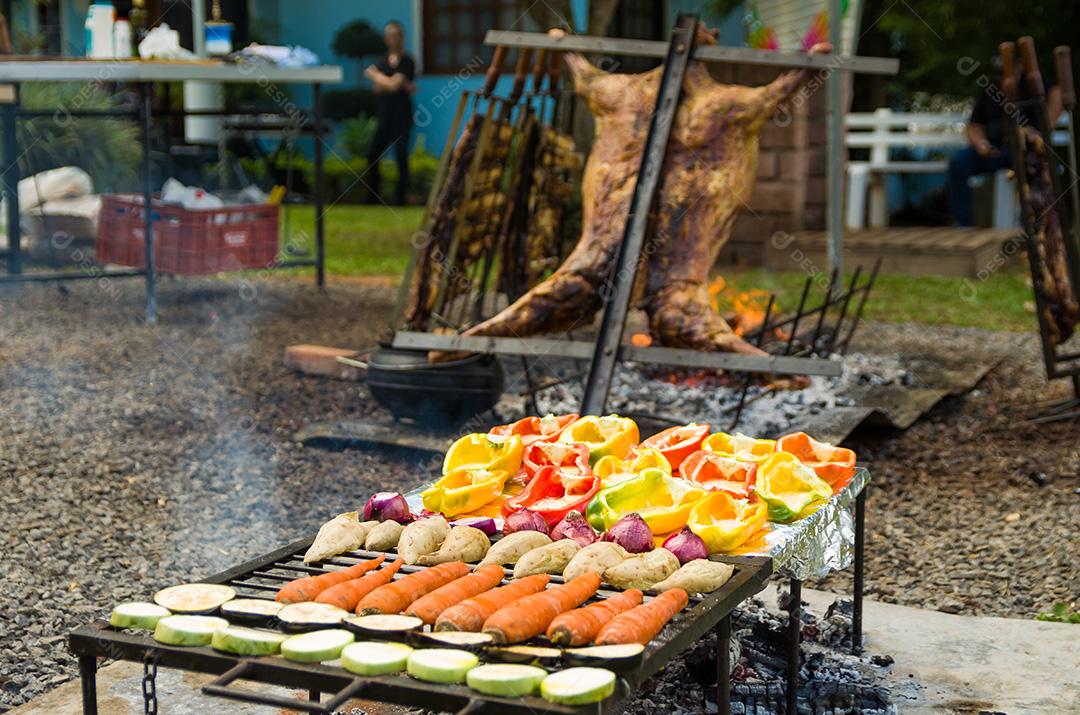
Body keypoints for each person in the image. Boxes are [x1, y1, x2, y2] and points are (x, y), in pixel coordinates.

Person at [948, 56, 1061, 226]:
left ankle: (1034, 227)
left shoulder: (1032, 82)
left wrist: (1044, 130)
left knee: (1035, 168)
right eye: (1000, 74)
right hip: (995, 151)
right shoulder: (991, 87)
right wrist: (981, 144)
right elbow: (974, 125)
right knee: (959, 162)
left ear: (1019, 67)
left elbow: (1056, 93)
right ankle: (964, 225)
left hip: (1025, 150)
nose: (1003, 78)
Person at [364, 21, 416, 206]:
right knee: (372, 154)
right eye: (390, 35)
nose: (393, 39)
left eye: (397, 35)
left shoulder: (408, 60)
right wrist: (392, 82)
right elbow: (378, 89)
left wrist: (374, 75)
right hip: (384, 115)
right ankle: (373, 197)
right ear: (385, 39)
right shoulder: (382, 60)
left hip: (402, 116)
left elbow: (393, 86)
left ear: (402, 38)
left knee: (401, 155)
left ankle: (400, 199)